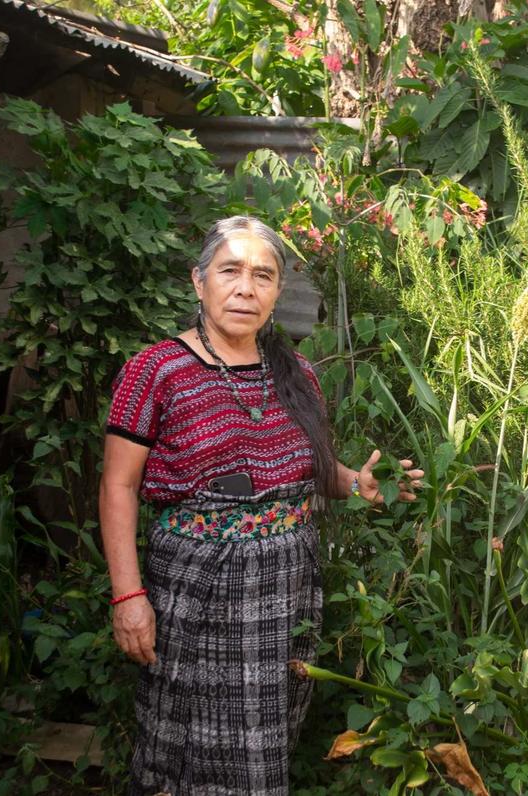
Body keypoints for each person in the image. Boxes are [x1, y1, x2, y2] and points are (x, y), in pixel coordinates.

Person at [100, 215, 422, 795]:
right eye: (230, 271)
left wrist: (356, 483)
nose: (246, 288)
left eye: (263, 276)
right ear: (199, 282)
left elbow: (308, 470)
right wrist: (128, 595)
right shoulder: (155, 370)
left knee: (263, 741)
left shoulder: (295, 372)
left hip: (284, 586)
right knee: (186, 738)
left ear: (276, 292)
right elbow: (118, 486)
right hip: (197, 585)